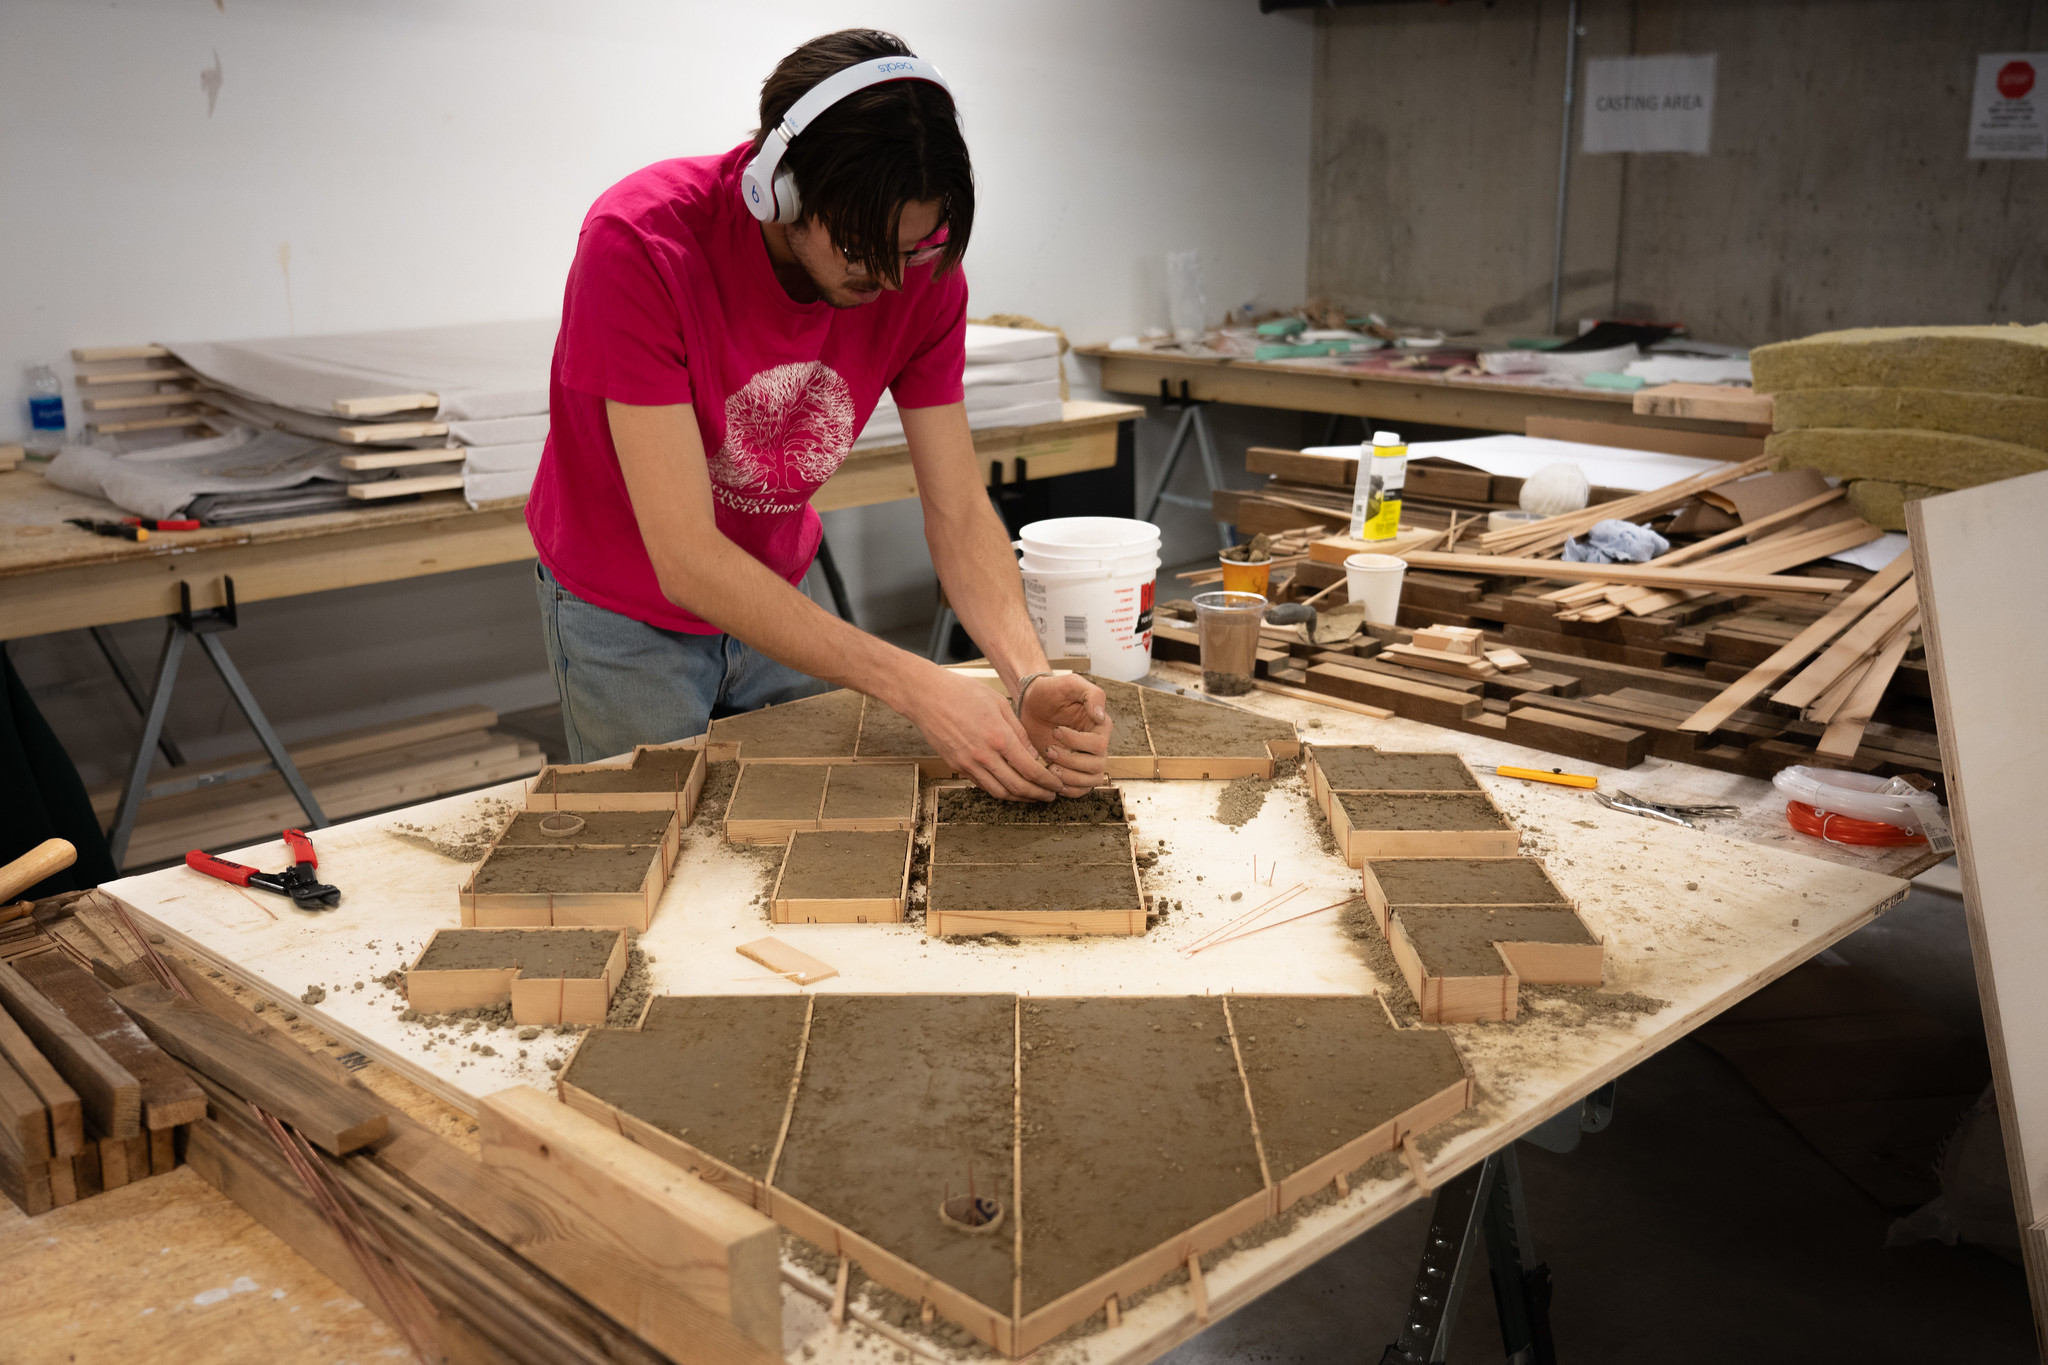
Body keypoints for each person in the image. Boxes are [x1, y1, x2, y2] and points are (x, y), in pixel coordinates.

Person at [525, 28, 1111, 799]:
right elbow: (686, 558)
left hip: (775, 590)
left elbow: (959, 509)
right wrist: (916, 684)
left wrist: (1028, 675)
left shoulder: (919, 271)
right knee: (651, 836)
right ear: (781, 191)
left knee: (798, 824)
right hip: (626, 614)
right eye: (865, 249)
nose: (893, 281)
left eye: (913, 248)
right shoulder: (641, 246)